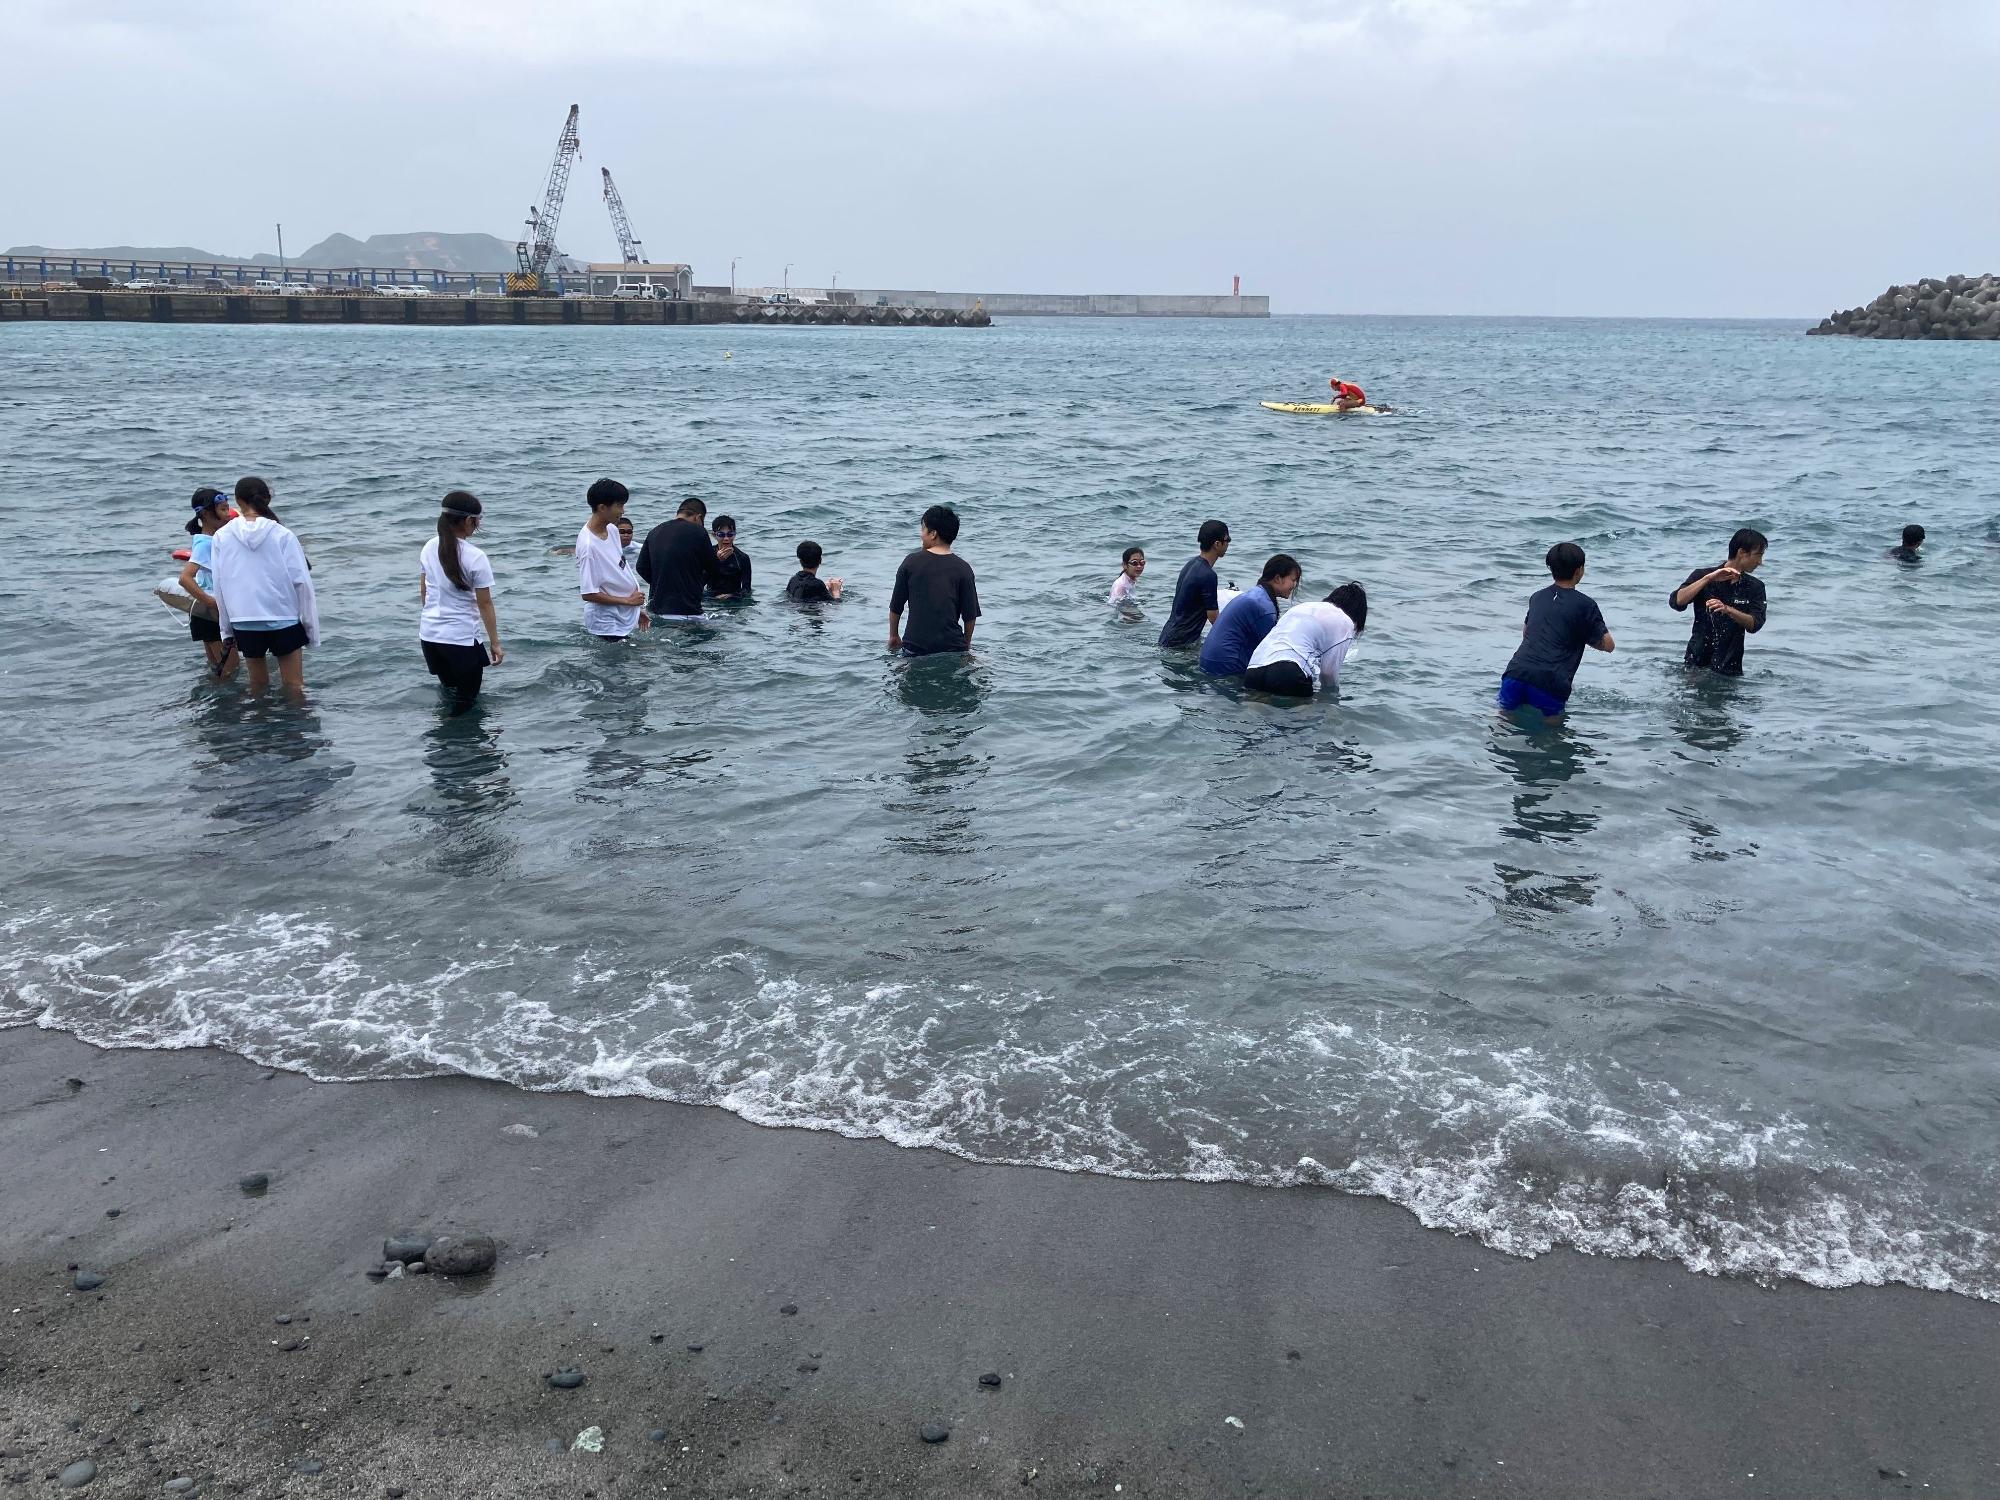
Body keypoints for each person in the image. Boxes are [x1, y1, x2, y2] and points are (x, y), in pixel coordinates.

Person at [210, 476, 319, 700]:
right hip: (283, 618)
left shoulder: (221, 536)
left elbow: (219, 585)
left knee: (257, 686)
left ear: (237, 501)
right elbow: (302, 583)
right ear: (266, 499)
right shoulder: (283, 534)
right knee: (295, 687)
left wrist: (227, 630)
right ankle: (300, 733)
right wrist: (311, 630)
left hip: (244, 620)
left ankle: (258, 731)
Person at [1497, 541, 1614, 718]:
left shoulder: (1536, 597)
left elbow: (1526, 633)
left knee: (1503, 727)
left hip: (1515, 673)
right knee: (1551, 739)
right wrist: (1582, 634)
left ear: (1550, 568)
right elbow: (1608, 645)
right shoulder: (1586, 604)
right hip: (1550, 682)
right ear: (1579, 570)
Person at [418, 491, 503, 715]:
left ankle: (444, 746)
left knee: (450, 697)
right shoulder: (475, 556)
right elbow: (485, 604)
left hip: (430, 638)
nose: (478, 525)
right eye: (478, 520)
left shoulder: (429, 547)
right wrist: (495, 643)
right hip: (461, 641)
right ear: (468, 520)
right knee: (466, 707)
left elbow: (424, 591)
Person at [1670, 528, 1768, 676]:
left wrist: (1728, 610)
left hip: (1730, 668)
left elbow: (1755, 624)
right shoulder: (1702, 576)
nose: (1760, 562)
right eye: (1758, 555)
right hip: (1695, 665)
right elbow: (1677, 602)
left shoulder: (1755, 586)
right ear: (1741, 553)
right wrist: (1708, 579)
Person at [1244, 582, 1366, 696]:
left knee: (1255, 712)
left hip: (1254, 669)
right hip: (1288, 671)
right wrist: (1333, 697)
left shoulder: (1303, 607)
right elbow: (1328, 674)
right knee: (1306, 716)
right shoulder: (1345, 621)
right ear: (1357, 614)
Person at [889, 504, 980, 655]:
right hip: (952, 647)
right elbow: (970, 615)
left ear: (933, 534)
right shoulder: (964, 569)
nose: (921, 534)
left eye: (923, 529)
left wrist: (893, 636)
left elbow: (896, 605)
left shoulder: (910, 562)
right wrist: (967, 644)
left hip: (915, 646)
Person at [1200, 553, 1301, 676]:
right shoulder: (1264, 608)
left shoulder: (1257, 594)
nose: (1295, 585)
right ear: (1278, 579)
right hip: (1226, 668)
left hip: (1207, 662)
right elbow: (1271, 653)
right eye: (1293, 580)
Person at [177, 486, 239, 680]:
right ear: (205, 513)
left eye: (227, 508)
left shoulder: (211, 539)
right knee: (231, 671)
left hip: (204, 616)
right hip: (211, 615)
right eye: (222, 510)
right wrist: (212, 603)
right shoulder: (205, 543)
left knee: (218, 672)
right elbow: (185, 578)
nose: (228, 514)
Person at [577, 478, 647, 641]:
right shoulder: (589, 546)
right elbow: (588, 593)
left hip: (625, 614)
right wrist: (629, 602)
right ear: (602, 508)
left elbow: (620, 568)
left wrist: (637, 609)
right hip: (607, 622)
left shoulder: (612, 530)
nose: (623, 511)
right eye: (619, 505)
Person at [636, 496, 722, 621]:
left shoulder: (655, 531)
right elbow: (712, 568)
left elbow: (641, 567)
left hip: (656, 609)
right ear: (698, 517)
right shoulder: (698, 531)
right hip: (687, 610)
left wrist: (663, 583)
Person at [1157, 520, 1230, 649]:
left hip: (1168, 635)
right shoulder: (1208, 575)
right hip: (1182, 643)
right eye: (1227, 540)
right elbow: (1214, 619)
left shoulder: (1190, 564)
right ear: (1217, 544)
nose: (1229, 543)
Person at [707, 514, 752, 600]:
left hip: (733, 600)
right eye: (721, 535)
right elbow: (699, 583)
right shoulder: (708, 554)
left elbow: (747, 590)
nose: (726, 538)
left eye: (730, 534)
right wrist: (716, 561)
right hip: (710, 599)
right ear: (714, 535)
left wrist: (731, 596)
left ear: (735, 534)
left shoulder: (743, 558)